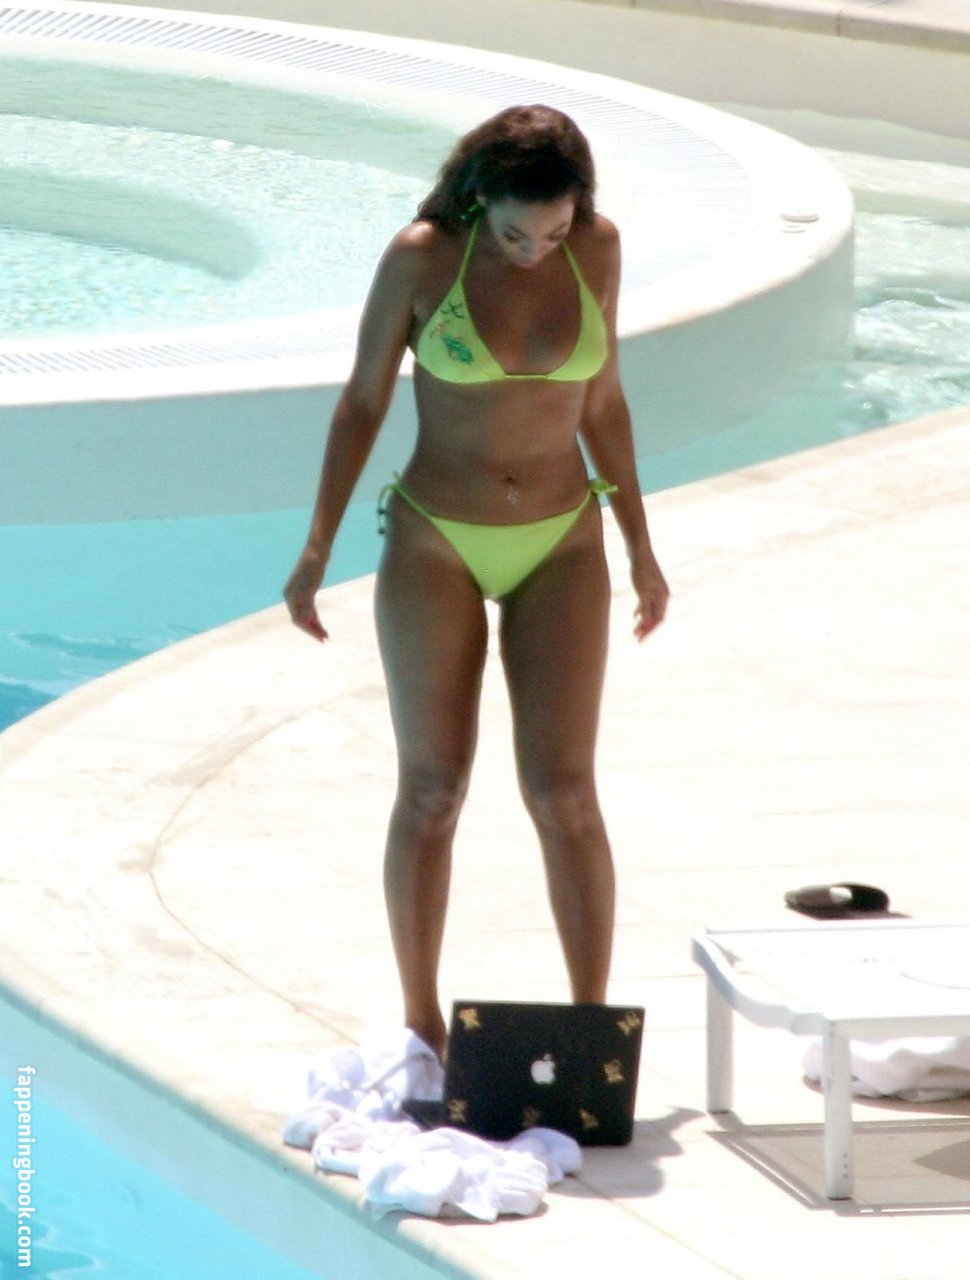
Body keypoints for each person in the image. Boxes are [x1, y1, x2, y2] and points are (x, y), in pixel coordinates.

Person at [283, 104, 669, 1061]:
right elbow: (363, 400)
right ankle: (423, 1029)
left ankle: (589, 1036)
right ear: (476, 198)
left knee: (564, 793)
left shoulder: (599, 250)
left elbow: (605, 402)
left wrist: (640, 545)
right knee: (432, 791)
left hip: (562, 539)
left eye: (554, 230)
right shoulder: (423, 258)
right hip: (438, 542)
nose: (535, 251)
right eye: (513, 234)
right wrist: (318, 545)